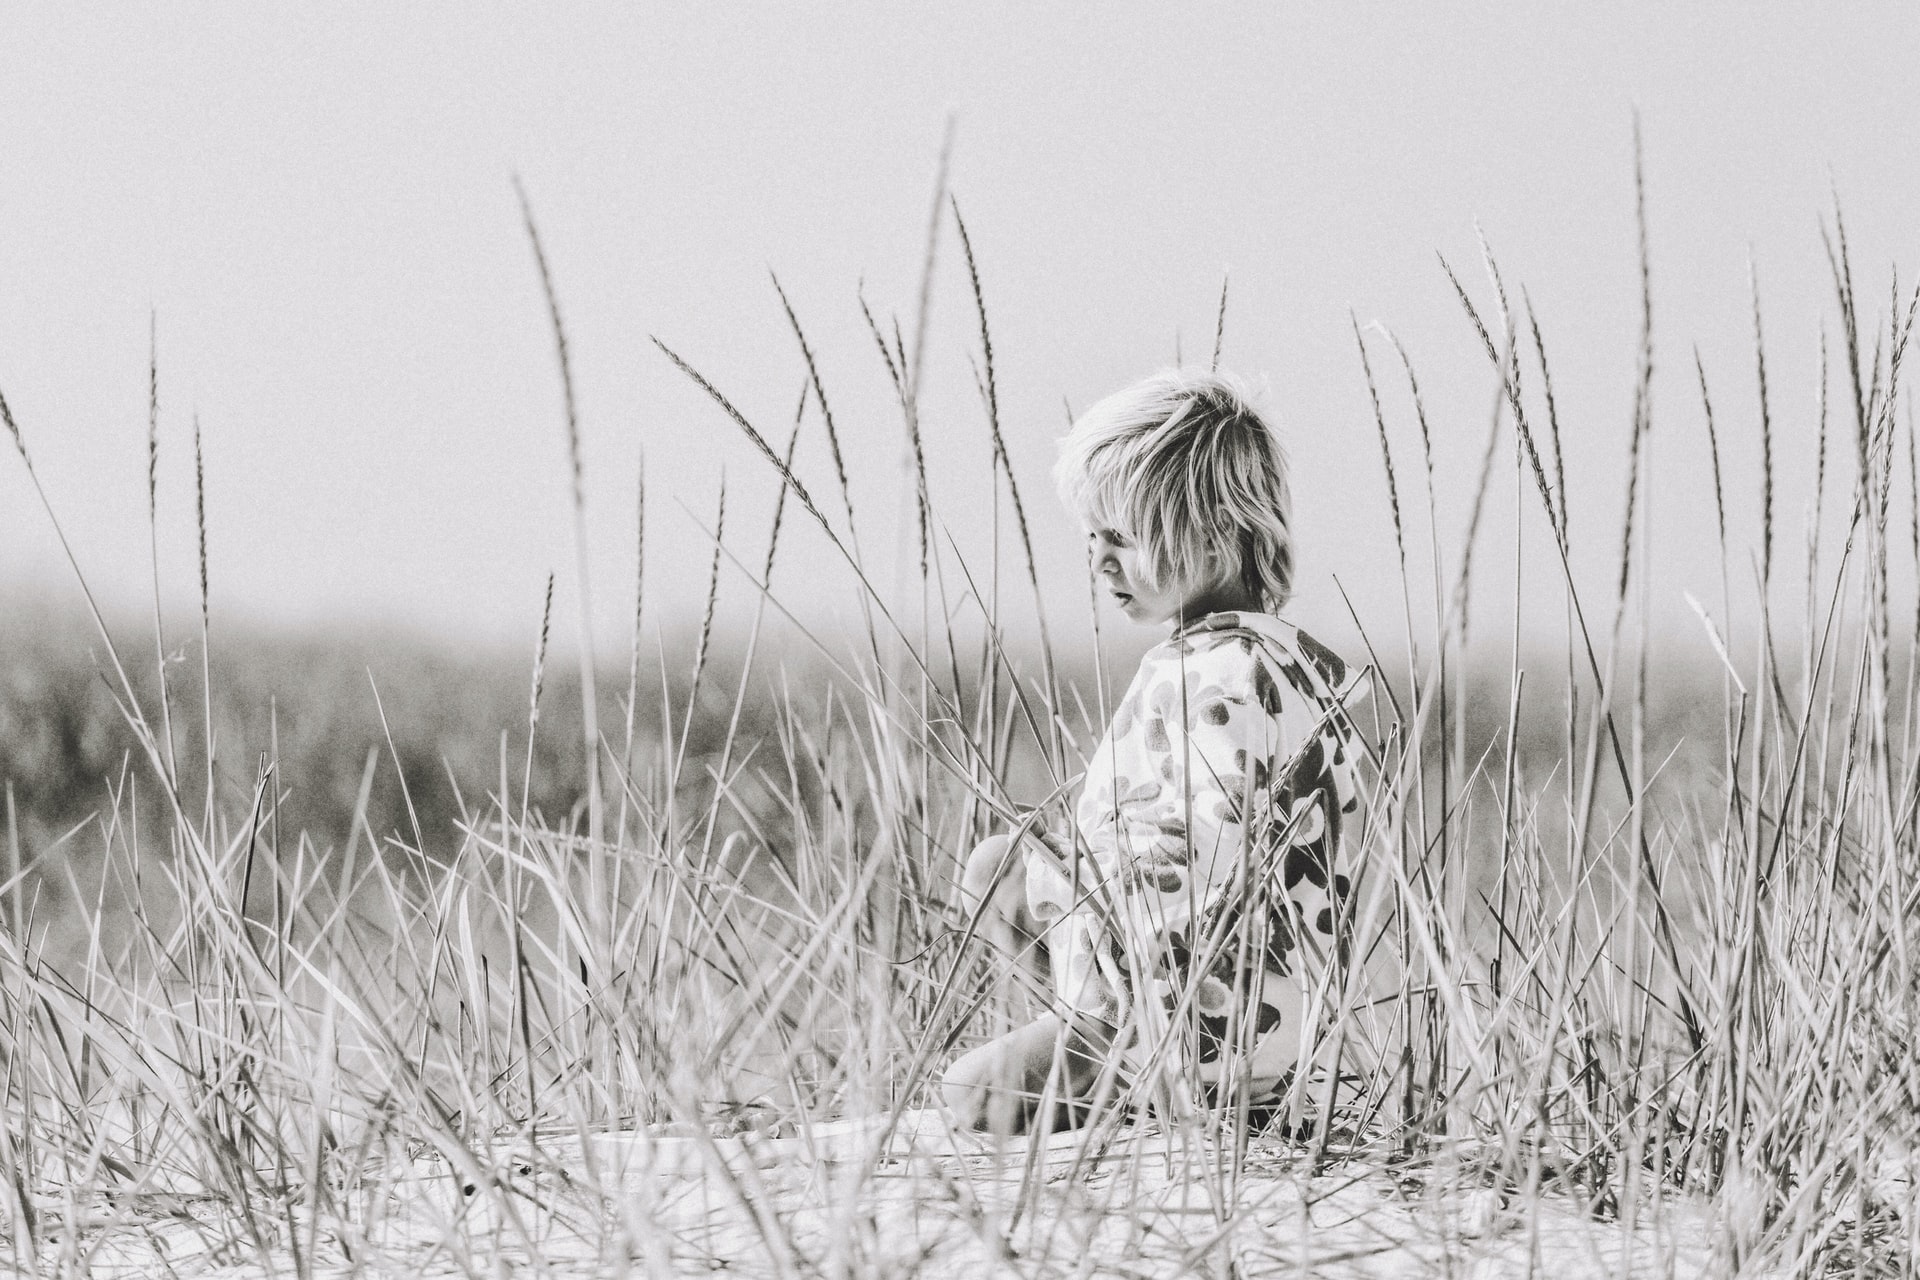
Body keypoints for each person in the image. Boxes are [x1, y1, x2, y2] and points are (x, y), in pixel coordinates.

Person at [941, 368, 1367, 1137]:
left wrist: (1094, 895)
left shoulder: (1225, 680)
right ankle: (1095, 1040)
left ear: (1212, 532)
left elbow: (1216, 865)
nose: (1099, 562)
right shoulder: (1275, 662)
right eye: (1091, 538)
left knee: (972, 1094)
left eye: (1122, 539)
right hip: (1217, 991)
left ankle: (1140, 1081)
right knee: (995, 868)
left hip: (1202, 1010)